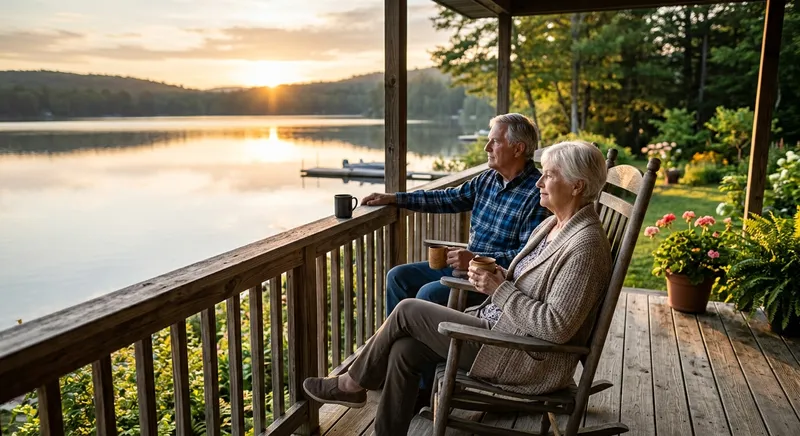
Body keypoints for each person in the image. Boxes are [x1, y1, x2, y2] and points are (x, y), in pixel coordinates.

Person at [303, 141, 613, 436]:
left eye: (549, 175)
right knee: (404, 350)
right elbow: (532, 281)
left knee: (408, 309)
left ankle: (351, 385)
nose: (539, 182)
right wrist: (500, 276)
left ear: (577, 186)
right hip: (501, 332)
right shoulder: (552, 226)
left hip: (522, 356)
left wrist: (499, 289)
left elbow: (556, 327)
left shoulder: (584, 246)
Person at [362, 113, 550, 316]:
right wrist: (395, 198)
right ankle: (399, 335)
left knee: (428, 294)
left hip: (492, 280)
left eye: (495, 142)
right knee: (398, 277)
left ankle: (414, 336)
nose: (486, 148)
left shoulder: (538, 194)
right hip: (466, 268)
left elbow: (527, 258)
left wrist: (476, 259)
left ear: (518, 148)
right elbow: (446, 198)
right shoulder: (487, 179)